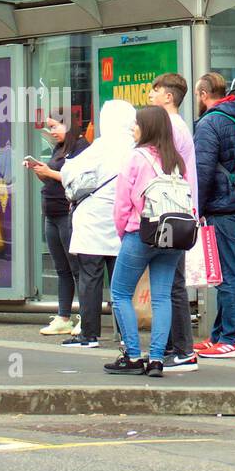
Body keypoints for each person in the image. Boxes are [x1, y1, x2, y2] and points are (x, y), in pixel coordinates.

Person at [103, 105, 189, 378]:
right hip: (174, 234)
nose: (133, 128)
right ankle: (156, 359)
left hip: (142, 233)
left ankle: (131, 355)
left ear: (148, 127)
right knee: (162, 296)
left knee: (119, 293)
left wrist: (123, 233)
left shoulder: (135, 158)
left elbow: (122, 204)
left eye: (137, 124)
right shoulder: (176, 160)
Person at [60, 100, 137, 348]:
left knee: (89, 278)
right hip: (122, 223)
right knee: (121, 282)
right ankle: (126, 335)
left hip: (93, 222)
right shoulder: (136, 148)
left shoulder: (101, 146)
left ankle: (89, 333)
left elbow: (68, 172)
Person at [191, 72, 235, 362]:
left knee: (227, 274)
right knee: (228, 271)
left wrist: (196, 209)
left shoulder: (210, 122)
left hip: (221, 206)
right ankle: (218, 335)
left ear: (204, 95)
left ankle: (232, 338)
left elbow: (202, 170)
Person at [148, 74, 201, 372]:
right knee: (168, 281)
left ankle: (183, 350)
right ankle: (172, 346)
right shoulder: (177, 126)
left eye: (155, 91)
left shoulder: (172, 127)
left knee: (172, 283)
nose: (151, 95)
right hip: (179, 210)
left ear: (168, 96)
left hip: (173, 211)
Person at [27, 112, 89, 337]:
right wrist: (41, 172)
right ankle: (64, 317)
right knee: (62, 268)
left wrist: (49, 172)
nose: (52, 132)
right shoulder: (60, 147)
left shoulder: (82, 147)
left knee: (77, 268)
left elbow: (77, 179)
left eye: (56, 126)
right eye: (50, 127)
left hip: (67, 213)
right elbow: (54, 177)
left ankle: (85, 316)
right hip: (51, 212)